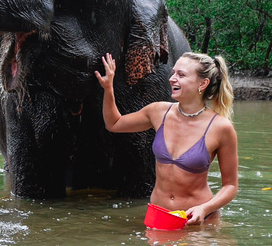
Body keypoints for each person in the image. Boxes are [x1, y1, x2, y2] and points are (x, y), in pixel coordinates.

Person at [95, 52, 238, 226]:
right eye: (173, 73)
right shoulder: (158, 112)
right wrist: (108, 87)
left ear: (203, 83)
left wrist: (205, 208)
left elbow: (230, 186)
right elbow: (114, 124)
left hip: (199, 221)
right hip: (159, 217)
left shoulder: (221, 127)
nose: (172, 79)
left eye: (181, 75)